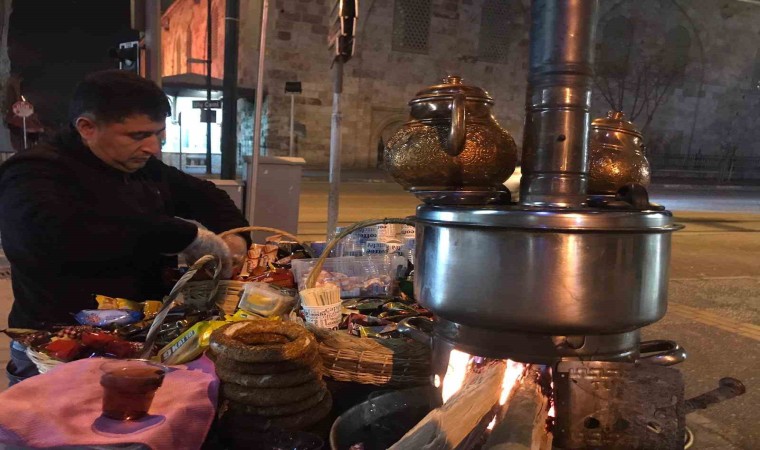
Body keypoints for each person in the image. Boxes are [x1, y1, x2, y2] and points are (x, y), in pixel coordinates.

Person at [0, 70, 250, 385]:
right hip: (57, 350)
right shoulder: (33, 173)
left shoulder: (141, 167)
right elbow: (61, 232)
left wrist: (236, 237)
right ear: (87, 127)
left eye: (158, 134)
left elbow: (207, 197)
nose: (153, 147)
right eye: (137, 135)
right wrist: (187, 237)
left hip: (135, 340)